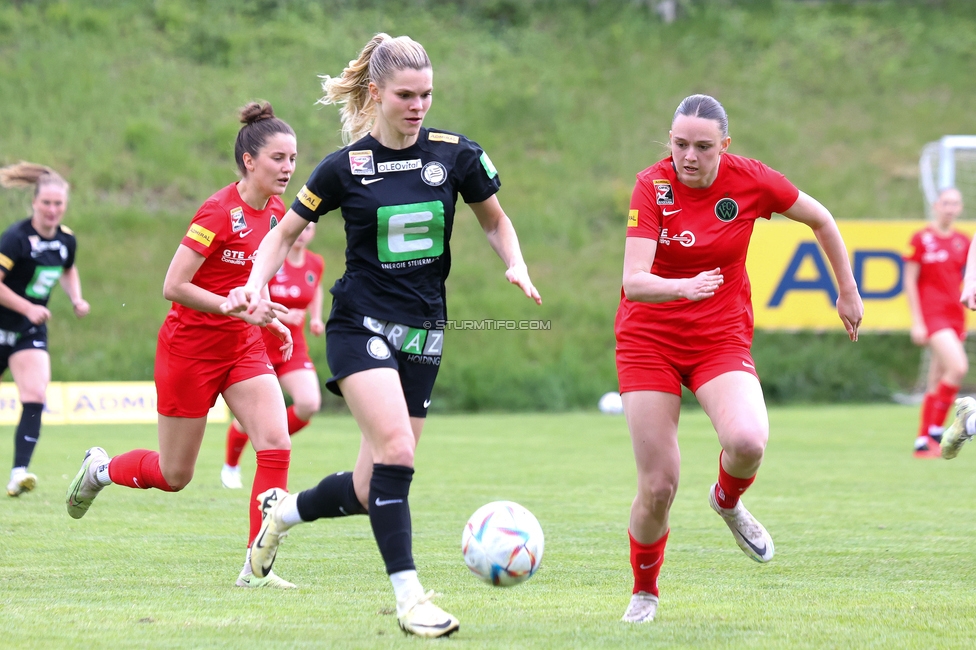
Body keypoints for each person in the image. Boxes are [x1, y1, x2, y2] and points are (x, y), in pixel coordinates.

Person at [221, 34, 541, 638]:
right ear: (377, 94)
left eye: (426, 94)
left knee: (373, 488)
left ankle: (279, 515)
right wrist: (258, 285)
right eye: (405, 94)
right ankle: (410, 598)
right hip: (359, 323)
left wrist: (514, 261)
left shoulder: (457, 155)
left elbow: (495, 221)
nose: (418, 105)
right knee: (396, 450)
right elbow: (283, 234)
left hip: (424, 332)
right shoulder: (345, 167)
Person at [614, 94, 863, 623]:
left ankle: (727, 501)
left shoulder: (752, 180)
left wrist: (848, 291)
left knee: (748, 442)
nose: (688, 157)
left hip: (718, 338)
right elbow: (633, 282)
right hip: (648, 340)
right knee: (658, 485)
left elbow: (821, 219)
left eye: (703, 147)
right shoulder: (652, 186)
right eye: (680, 144)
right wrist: (684, 288)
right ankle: (645, 592)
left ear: (724, 147)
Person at [65, 102, 299, 589]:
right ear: (250, 161)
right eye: (278, 158)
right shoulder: (217, 211)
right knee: (175, 475)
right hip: (189, 350)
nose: (288, 168)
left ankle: (256, 569)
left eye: (293, 159)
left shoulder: (277, 213)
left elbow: (253, 277)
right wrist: (232, 307)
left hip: (241, 346)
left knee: (275, 443)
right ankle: (100, 470)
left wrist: (266, 312)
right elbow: (173, 285)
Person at [0, 163, 90, 497]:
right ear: (34, 203)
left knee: (35, 395)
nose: (52, 210)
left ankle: (18, 473)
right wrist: (28, 307)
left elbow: (68, 268)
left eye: (58, 204)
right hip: (5, 323)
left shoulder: (66, 240)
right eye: (46, 203)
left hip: (27, 331)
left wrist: (76, 299)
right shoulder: (16, 238)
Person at [221, 221, 325, 489]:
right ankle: (231, 465)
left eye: (311, 229)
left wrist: (316, 318)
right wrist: (284, 314)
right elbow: (252, 295)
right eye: (302, 227)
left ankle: (267, 438)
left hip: (292, 345)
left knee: (309, 403)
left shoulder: (316, 263)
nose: (304, 232)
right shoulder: (270, 259)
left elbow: (315, 290)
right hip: (259, 345)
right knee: (250, 419)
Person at [903, 188, 968, 458]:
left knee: (937, 379)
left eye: (955, 203)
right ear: (936, 205)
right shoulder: (921, 239)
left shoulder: (963, 242)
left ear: (960, 208)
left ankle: (921, 442)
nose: (950, 208)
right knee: (959, 367)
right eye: (946, 203)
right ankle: (936, 432)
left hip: (956, 316)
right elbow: (909, 281)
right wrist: (917, 322)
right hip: (932, 316)